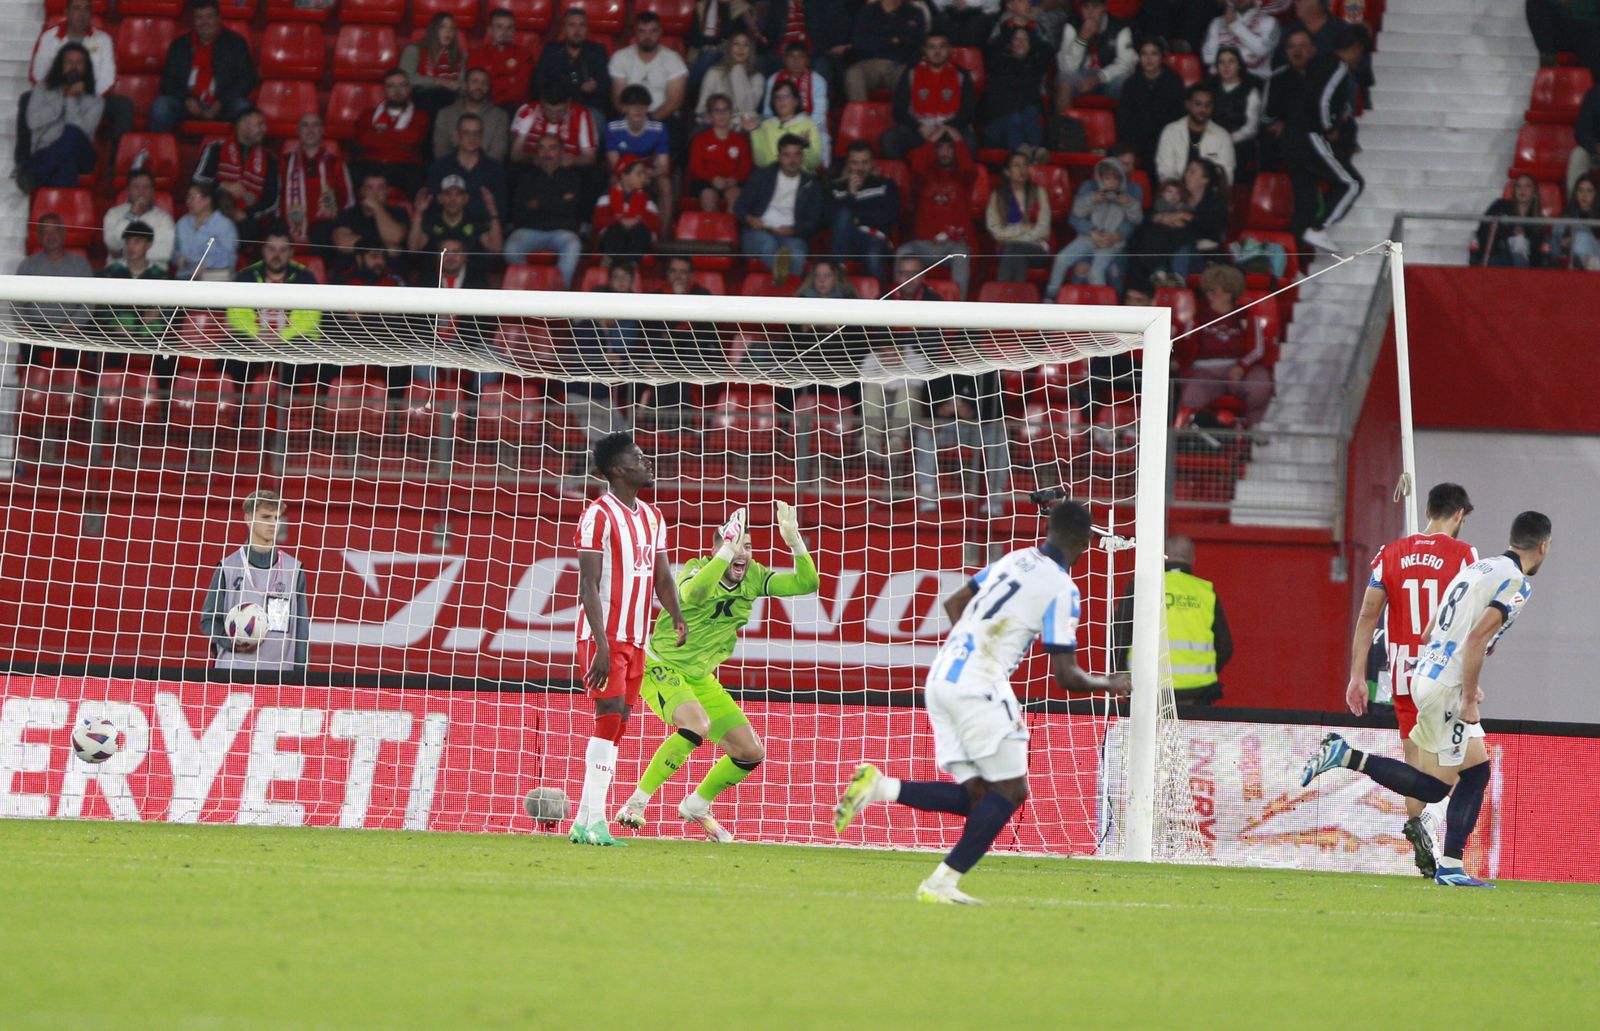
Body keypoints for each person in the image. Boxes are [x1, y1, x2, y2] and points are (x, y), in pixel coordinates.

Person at [834, 499, 1131, 903]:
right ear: (1082, 542)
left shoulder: (1014, 559)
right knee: (1011, 793)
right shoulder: (1063, 588)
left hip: (942, 678)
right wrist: (1109, 682)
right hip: (978, 685)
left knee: (980, 795)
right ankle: (941, 884)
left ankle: (882, 787)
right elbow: (1067, 676)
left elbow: (954, 603)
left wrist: (975, 645)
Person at [1304, 511, 1554, 889]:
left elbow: (1429, 630)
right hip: (1447, 687)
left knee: (1472, 772)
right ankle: (1348, 756)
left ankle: (1451, 864)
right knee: (1441, 785)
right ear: (1543, 546)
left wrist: (1455, 673)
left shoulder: (1482, 566)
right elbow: (1475, 640)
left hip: (1426, 674)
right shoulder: (1516, 582)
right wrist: (1467, 694)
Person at [615, 504, 819, 841]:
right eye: (737, 545)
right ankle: (636, 804)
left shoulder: (753, 576)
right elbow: (695, 594)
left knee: (750, 752)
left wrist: (795, 541)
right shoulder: (695, 572)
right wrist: (726, 550)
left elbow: (807, 583)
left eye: (749, 546)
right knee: (695, 724)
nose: (744, 553)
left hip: (700, 676)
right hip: (660, 665)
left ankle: (697, 804)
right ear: (717, 549)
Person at [1344, 482, 1477, 877]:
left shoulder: (1390, 554)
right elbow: (1472, 614)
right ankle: (1431, 830)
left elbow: (1368, 616)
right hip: (1443, 673)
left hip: (1402, 675)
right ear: (1458, 515)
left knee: (1416, 766)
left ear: (1428, 511)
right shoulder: (1464, 555)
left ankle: (1421, 834)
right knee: (1465, 769)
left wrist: (1355, 676)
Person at [570, 431, 688, 846]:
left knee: (618, 724)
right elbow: (588, 584)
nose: (648, 462)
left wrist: (676, 617)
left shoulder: (653, 516)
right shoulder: (597, 515)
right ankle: (596, 821)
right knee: (608, 717)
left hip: (637, 640)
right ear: (619, 470)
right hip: (604, 639)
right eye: (639, 457)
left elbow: (662, 577)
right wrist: (600, 644)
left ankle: (584, 819)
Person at [1268, 27, 1364, 252]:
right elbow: (1323, 100)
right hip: (1309, 136)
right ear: (1355, 49)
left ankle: (1296, 259)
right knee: (1352, 183)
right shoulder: (1336, 66)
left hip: (1293, 139)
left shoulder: (1317, 64)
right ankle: (1319, 228)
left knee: (1305, 202)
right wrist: (1329, 127)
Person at [1111, 535, 1233, 705]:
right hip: (1198, 692)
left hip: (1148, 689)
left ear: (1163, 554)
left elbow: (1118, 635)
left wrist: (1123, 676)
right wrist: (1204, 673)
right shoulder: (1206, 591)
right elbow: (1225, 646)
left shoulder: (1141, 586)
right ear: (1192, 557)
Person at [199, 490, 309, 677]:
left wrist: (301, 676)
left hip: (279, 676)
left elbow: (301, 630)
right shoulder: (228, 567)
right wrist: (230, 642)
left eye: (276, 518)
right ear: (248, 518)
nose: (273, 524)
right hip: (233, 673)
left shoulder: (294, 570)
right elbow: (208, 620)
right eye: (266, 517)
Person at [913, 346, 1012, 516]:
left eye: (969, 353)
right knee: (924, 433)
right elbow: (926, 403)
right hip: (948, 428)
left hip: (981, 428)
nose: (965, 357)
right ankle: (927, 496)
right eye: (961, 353)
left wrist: (973, 414)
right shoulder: (941, 371)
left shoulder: (990, 375)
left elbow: (1001, 409)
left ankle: (995, 498)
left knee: (1000, 434)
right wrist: (939, 413)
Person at [23, 0, 128, 157]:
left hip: (91, 96)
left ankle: (115, 164)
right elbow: (37, 73)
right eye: (77, 8)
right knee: (26, 100)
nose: (82, 14)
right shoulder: (49, 37)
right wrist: (61, 91)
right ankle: (23, 160)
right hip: (56, 94)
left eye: (87, 9)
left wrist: (85, 90)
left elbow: (108, 77)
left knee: (124, 107)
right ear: (66, 13)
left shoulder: (103, 39)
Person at [1173, 263, 1274, 425]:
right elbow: (1185, 347)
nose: (1209, 295)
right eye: (1207, 290)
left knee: (1260, 384)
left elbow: (1257, 348)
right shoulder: (1197, 317)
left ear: (1229, 292)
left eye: (1214, 291)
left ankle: (1255, 428)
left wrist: (1241, 366)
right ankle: (1182, 433)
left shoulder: (1246, 316)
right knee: (1192, 394)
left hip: (1239, 369)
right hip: (1205, 371)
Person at [226, 226, 324, 386]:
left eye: (283, 250)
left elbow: (310, 319)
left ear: (291, 252)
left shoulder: (305, 276)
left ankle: (288, 402)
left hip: (291, 340)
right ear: (263, 250)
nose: (276, 255)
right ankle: (241, 400)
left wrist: (281, 337)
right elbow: (235, 313)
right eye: (271, 249)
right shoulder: (247, 275)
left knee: (303, 347)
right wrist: (256, 334)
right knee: (231, 345)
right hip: (255, 340)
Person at [151, 0, 256, 134]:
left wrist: (221, 101)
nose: (204, 22)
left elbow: (247, 79)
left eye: (209, 17)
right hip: (187, 103)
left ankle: (244, 155)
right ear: (193, 21)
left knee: (244, 109)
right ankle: (157, 152)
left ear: (218, 18)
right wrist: (186, 100)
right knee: (161, 106)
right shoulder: (180, 45)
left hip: (223, 104)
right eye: (199, 18)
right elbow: (167, 81)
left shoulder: (236, 43)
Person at [1044, 155, 1141, 296]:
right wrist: (1091, 199)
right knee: (1061, 258)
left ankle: (1103, 305)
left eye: (1115, 179)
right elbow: (1076, 213)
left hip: (1111, 243)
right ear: (1101, 179)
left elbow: (1137, 219)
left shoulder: (1128, 197)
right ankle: (1051, 296)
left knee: (1096, 272)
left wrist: (1129, 204)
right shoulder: (1092, 193)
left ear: (1121, 179)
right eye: (1107, 179)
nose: (1111, 183)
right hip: (1088, 238)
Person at [733, 132, 823, 281]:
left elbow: (814, 221)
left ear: (802, 157)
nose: (792, 160)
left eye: (796, 155)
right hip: (760, 231)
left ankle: (784, 288)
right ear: (779, 156)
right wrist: (750, 219)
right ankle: (783, 283)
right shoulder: (762, 176)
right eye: (787, 155)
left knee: (798, 255)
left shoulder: (811, 184)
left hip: (791, 235)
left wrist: (794, 230)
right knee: (768, 245)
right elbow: (739, 207)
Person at [1128, 156, 1229, 285]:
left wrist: (1186, 217)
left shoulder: (1214, 204)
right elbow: (1148, 214)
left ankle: (1175, 279)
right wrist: (1161, 218)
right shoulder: (1176, 196)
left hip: (1197, 258)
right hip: (1164, 253)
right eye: (1187, 171)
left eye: (1192, 172)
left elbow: (1213, 228)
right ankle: (1157, 277)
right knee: (1149, 233)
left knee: (1179, 240)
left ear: (1205, 180)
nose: (1186, 175)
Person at [897, 137, 976, 298]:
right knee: (903, 251)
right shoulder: (926, 176)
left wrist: (959, 140)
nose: (945, 153)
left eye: (950, 148)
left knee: (961, 254)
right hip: (924, 244)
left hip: (951, 245)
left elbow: (968, 168)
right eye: (941, 148)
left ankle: (958, 311)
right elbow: (916, 167)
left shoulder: (962, 178)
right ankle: (900, 304)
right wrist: (931, 141)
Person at [504, 134, 584, 287]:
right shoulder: (525, 177)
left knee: (573, 244)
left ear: (561, 152)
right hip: (530, 230)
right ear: (537, 153)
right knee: (511, 248)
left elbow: (572, 210)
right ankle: (531, 283)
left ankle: (559, 290)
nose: (547, 153)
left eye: (552, 148)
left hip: (561, 231)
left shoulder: (573, 178)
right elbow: (519, 212)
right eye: (542, 148)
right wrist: (559, 201)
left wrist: (538, 204)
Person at [192, 107, 280, 246]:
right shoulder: (216, 148)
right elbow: (197, 179)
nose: (265, 129)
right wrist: (222, 185)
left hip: (248, 220)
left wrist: (247, 213)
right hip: (214, 213)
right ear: (243, 125)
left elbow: (272, 200)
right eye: (260, 124)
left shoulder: (270, 159)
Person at [609, 10, 689, 160]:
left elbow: (674, 101)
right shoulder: (621, 57)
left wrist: (650, 120)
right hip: (628, 115)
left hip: (662, 116)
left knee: (678, 135)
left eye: (652, 31)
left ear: (660, 32)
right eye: (642, 31)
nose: (647, 36)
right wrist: (635, 118)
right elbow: (618, 98)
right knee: (609, 131)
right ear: (635, 33)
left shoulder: (673, 59)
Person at [882, 34, 976, 160]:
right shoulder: (911, 72)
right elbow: (898, 110)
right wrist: (918, 127)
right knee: (890, 138)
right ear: (924, 50)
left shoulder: (961, 74)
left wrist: (947, 127)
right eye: (932, 47)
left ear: (949, 49)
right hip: (919, 129)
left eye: (942, 47)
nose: (937, 52)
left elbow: (969, 111)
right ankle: (901, 177)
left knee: (971, 142)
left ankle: (958, 179)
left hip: (950, 129)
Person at [23, 44, 102, 189]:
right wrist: (61, 99)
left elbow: (82, 132)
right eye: (69, 62)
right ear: (60, 65)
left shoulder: (95, 100)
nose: (74, 66)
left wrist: (71, 99)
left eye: (79, 62)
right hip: (47, 150)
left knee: (73, 133)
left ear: (86, 67)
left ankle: (34, 173)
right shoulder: (43, 89)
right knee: (67, 163)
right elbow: (32, 122)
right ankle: (60, 208)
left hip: (83, 153)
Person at [14, 214, 95, 347]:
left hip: (70, 329)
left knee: (71, 363)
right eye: (45, 232)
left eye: (55, 231)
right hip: (34, 329)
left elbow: (90, 301)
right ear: (39, 237)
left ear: (63, 233)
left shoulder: (80, 264)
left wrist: (73, 325)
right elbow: (15, 301)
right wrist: (24, 325)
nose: (51, 236)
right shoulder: (28, 265)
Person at [606, 84, 676, 230]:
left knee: (666, 184)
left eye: (642, 106)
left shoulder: (658, 129)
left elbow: (664, 165)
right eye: (633, 106)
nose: (638, 110)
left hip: (649, 173)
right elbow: (614, 164)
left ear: (648, 108)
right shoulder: (613, 128)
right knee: (613, 180)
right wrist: (634, 176)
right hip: (624, 173)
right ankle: (616, 226)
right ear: (624, 108)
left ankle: (662, 234)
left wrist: (648, 173)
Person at [829, 141, 899, 283]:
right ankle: (837, 274)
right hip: (844, 240)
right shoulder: (837, 188)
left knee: (872, 252)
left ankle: (879, 299)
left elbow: (889, 217)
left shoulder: (885, 185)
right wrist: (851, 194)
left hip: (876, 238)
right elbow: (829, 219)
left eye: (865, 162)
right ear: (847, 164)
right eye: (855, 163)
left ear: (872, 163)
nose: (860, 168)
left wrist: (856, 218)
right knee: (844, 214)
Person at [281, 113, 353, 249]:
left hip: (324, 226)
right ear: (298, 131)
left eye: (315, 125)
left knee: (322, 234)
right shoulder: (284, 162)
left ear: (322, 130)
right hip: (289, 222)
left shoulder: (336, 164)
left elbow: (346, 202)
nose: (310, 130)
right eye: (305, 125)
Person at [1117, 37, 1187, 174]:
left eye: (1154, 54)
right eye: (1144, 54)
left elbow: (1179, 116)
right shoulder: (1131, 84)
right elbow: (1124, 120)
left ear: (1161, 57)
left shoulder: (1174, 82)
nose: (1149, 59)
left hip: (1166, 139)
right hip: (1137, 142)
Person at [98, 221, 172, 348]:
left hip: (149, 333)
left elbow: (170, 308)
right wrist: (114, 323)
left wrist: (158, 313)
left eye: (137, 241)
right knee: (124, 321)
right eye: (128, 242)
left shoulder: (160, 275)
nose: (131, 247)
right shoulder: (112, 271)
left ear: (148, 244)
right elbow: (100, 308)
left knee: (154, 329)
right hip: (116, 334)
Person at [357, 70, 431, 194]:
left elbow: (412, 139)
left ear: (409, 89)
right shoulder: (367, 115)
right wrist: (399, 138)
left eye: (402, 85)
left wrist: (380, 135)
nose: (397, 91)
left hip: (404, 167)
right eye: (391, 86)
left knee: (419, 177)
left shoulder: (421, 116)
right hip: (371, 165)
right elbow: (365, 141)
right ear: (384, 90)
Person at [428, 112, 510, 222]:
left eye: (477, 133)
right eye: (466, 133)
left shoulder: (495, 170)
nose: (472, 138)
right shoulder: (440, 167)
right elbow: (433, 206)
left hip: (482, 230)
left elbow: (500, 210)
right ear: (458, 135)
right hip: (447, 230)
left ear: (482, 136)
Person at [1055, 0, 1135, 110]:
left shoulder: (1120, 27)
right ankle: (1062, 126)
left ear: (1104, 7)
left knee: (1127, 82)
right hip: (1081, 76)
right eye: (1086, 7)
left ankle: (1125, 126)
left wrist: (1098, 78)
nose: (1090, 12)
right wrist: (1082, 38)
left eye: (1095, 6)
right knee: (1064, 79)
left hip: (1109, 77)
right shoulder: (1072, 25)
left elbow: (1126, 64)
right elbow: (1066, 67)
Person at [536, 6, 612, 121]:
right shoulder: (551, 50)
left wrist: (595, 86)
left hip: (587, 108)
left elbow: (605, 84)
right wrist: (578, 88)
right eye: (572, 25)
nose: (577, 30)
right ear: (564, 29)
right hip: (555, 106)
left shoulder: (597, 51)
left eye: (582, 25)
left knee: (594, 119)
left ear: (587, 29)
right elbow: (539, 82)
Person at [984, 25, 1052, 152]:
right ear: (1009, 43)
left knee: (1031, 111)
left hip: (1024, 124)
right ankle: (1021, 157)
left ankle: (1035, 152)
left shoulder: (1034, 66)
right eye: (1016, 39)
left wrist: (1028, 27)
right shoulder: (998, 63)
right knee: (1015, 118)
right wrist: (1013, 26)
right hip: (998, 125)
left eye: (1025, 39)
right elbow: (992, 47)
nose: (1021, 43)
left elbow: (1048, 51)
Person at [986, 149, 1051, 281]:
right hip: (1009, 249)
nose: (1022, 169)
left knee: (1013, 248)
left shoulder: (1039, 192)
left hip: (1036, 248)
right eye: (1016, 165)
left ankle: (1001, 295)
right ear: (1007, 172)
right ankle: (1017, 297)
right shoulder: (997, 196)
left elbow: (1044, 229)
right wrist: (1022, 229)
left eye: (1025, 165)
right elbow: (995, 231)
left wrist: (1016, 238)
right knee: (1017, 255)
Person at [846, 0, 927, 102]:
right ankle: (863, 115)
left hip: (900, 65)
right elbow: (860, 42)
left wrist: (894, 23)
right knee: (853, 74)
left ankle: (905, 116)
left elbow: (918, 41)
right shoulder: (867, 12)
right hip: (870, 64)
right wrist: (893, 40)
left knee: (914, 79)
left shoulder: (914, 12)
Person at [409, 174, 504, 261]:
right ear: (440, 198)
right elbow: (413, 248)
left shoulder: (476, 221)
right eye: (448, 194)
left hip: (471, 276)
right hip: (435, 275)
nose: (453, 199)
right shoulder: (431, 221)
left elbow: (496, 248)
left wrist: (493, 211)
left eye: (458, 194)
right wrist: (418, 213)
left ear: (466, 198)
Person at [511, 79, 600, 173]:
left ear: (568, 102)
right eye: (548, 110)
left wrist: (573, 160)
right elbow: (515, 157)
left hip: (569, 172)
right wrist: (523, 134)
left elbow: (590, 158)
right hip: (532, 170)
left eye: (559, 111)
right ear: (541, 102)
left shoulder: (581, 114)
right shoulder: (527, 111)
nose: (553, 115)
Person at [763, 41, 832, 161]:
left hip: (808, 127)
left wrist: (800, 125)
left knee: (822, 137)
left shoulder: (818, 81)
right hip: (780, 125)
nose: (796, 61)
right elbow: (767, 112)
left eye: (800, 57)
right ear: (784, 59)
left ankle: (819, 174)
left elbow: (819, 116)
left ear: (807, 61)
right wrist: (785, 125)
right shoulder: (774, 79)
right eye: (791, 57)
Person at [331, 171, 409, 277]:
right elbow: (342, 242)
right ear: (362, 191)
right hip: (353, 275)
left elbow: (394, 238)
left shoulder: (399, 212)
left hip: (390, 276)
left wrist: (377, 207)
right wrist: (386, 248)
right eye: (370, 188)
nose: (375, 194)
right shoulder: (348, 214)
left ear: (387, 191)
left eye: (381, 188)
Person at [1155, 83, 1236, 184]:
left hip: (1208, 194)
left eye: (1207, 105)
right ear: (1188, 105)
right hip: (1176, 193)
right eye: (1198, 104)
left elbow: (1227, 175)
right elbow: (1165, 171)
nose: (1203, 110)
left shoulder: (1222, 136)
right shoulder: (1170, 131)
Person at [688, 92, 754, 213]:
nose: (721, 115)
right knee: (708, 197)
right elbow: (695, 167)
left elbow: (746, 167)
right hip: (707, 182)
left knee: (735, 196)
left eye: (725, 110)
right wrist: (712, 179)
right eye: (717, 111)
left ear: (731, 113)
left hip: (732, 182)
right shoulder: (700, 139)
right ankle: (713, 231)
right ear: (710, 116)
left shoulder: (740, 139)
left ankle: (729, 231)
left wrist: (734, 179)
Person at [432, 67, 511, 163]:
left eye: (484, 83)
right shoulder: (445, 114)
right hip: (451, 172)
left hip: (486, 174)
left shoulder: (500, 116)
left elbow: (498, 155)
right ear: (465, 85)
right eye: (475, 81)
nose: (479, 87)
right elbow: (440, 153)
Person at [470, 7, 537, 113]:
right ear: (490, 30)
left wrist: (496, 81)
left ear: (514, 31)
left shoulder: (524, 54)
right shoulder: (477, 55)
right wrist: (508, 79)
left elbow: (520, 91)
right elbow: (474, 88)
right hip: (487, 110)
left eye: (509, 27)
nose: (505, 32)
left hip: (517, 111)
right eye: (499, 27)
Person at [1475, 173, 1548, 269]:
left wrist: (1524, 235)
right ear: (1514, 190)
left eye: (1528, 186)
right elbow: (1483, 231)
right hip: (1498, 258)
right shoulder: (1500, 205)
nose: (1523, 190)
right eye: (1519, 186)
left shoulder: (1539, 219)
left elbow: (1536, 253)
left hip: (1525, 266)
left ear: (1534, 192)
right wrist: (1510, 232)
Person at [594, 154, 660, 260]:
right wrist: (620, 221)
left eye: (644, 173)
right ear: (624, 175)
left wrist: (636, 221)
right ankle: (609, 264)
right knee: (616, 230)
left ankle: (631, 266)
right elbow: (598, 220)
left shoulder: (647, 197)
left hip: (637, 240)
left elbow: (654, 224)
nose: (644, 177)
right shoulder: (608, 194)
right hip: (613, 239)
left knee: (639, 231)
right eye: (639, 173)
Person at [1208, 46, 1265, 166]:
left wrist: (1228, 139)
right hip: (1210, 140)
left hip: (1239, 143)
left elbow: (1251, 129)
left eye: (1231, 61)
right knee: (1193, 145)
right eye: (1221, 62)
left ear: (1239, 65)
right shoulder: (1208, 88)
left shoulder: (1251, 90)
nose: (1226, 66)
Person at [751, 80, 824, 172]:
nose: (781, 100)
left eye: (785, 96)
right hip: (773, 179)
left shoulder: (809, 125)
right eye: (777, 97)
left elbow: (813, 165)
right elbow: (761, 163)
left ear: (796, 101)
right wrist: (754, 131)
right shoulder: (766, 125)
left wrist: (806, 146)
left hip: (801, 179)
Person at [402, 12, 467, 115]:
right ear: (434, 30)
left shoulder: (461, 56)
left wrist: (459, 87)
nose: (448, 31)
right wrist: (440, 82)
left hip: (451, 104)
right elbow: (406, 79)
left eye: (452, 28)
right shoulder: (414, 50)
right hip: (422, 101)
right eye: (443, 27)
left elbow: (462, 85)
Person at [697, 31, 763, 131]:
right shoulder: (714, 72)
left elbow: (748, 107)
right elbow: (701, 109)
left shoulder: (757, 77)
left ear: (751, 50)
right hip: (715, 123)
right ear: (729, 48)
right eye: (736, 44)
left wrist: (738, 69)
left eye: (746, 45)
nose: (740, 49)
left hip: (743, 126)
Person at [173, 182, 239, 282]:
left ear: (206, 200)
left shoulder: (224, 225)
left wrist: (207, 264)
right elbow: (173, 250)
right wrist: (178, 259)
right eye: (188, 198)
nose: (187, 202)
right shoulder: (183, 223)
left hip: (213, 278)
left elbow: (229, 258)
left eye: (192, 198)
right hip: (186, 277)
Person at [1201, 0, 1279, 76]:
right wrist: (1247, 53)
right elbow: (1208, 58)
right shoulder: (1217, 22)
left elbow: (1262, 50)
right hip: (1219, 80)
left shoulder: (1270, 22)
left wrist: (1234, 25)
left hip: (1254, 79)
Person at [1554, 173, 1600, 270]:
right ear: (1576, 193)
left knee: (1581, 235)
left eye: (1589, 191)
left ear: (1596, 194)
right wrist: (1564, 242)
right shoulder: (1566, 218)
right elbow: (1555, 245)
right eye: (1580, 190)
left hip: (1596, 256)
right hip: (1570, 258)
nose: (1584, 195)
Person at [1568, 83, 1600, 194]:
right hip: (1596, 153)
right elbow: (1581, 132)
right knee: (1578, 155)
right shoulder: (1595, 94)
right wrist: (1595, 146)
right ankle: (1575, 207)